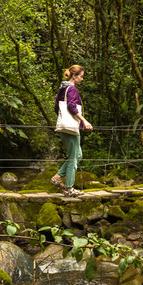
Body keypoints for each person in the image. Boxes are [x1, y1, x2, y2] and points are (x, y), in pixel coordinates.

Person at [51, 65, 93, 196]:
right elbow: (71, 106)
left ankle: (58, 177)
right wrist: (84, 120)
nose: (82, 79)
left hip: (64, 128)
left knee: (77, 155)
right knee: (73, 159)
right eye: (81, 76)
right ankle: (69, 188)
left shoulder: (62, 88)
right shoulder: (72, 89)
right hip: (71, 128)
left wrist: (63, 120)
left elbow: (56, 108)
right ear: (74, 76)